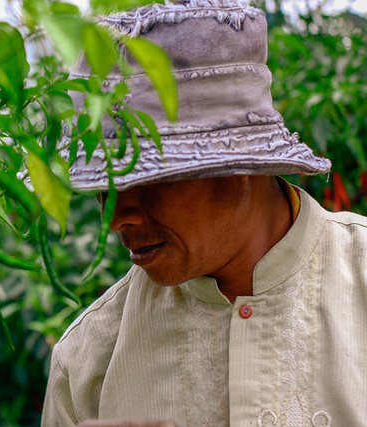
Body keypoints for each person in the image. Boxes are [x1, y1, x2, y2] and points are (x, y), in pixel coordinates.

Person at [41, 1, 367, 426]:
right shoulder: (87, 361)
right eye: (103, 189)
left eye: (150, 181)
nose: (118, 218)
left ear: (241, 167)